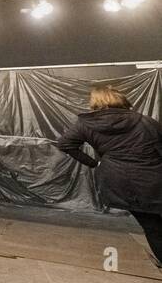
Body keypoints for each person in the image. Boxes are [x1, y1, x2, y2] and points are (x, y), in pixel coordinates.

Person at [55, 85, 162, 268]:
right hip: (154, 178)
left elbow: (65, 144)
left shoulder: (86, 124)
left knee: (151, 224)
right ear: (121, 100)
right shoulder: (145, 121)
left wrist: (95, 163)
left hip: (120, 181)